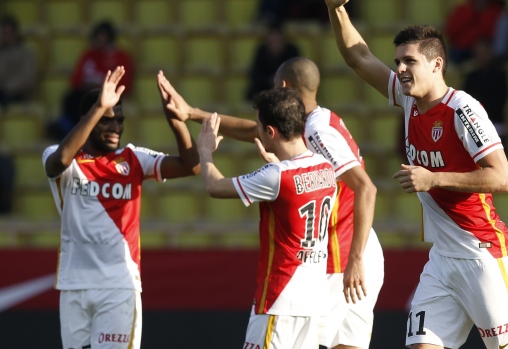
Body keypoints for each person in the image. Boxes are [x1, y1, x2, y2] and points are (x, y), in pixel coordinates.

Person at [325, 1, 508, 348]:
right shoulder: (409, 101)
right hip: (442, 260)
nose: (401, 69)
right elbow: (359, 57)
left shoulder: (462, 109)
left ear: (437, 64)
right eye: (398, 62)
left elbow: (503, 178)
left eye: (410, 61)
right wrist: (335, 9)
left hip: (482, 253)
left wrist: (434, 178)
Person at [158, 56, 384, 349]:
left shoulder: (317, 131)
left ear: (286, 88)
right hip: (333, 254)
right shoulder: (312, 128)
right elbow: (256, 131)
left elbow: (366, 188)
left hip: (343, 254)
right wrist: (192, 113)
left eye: (276, 87)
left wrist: (355, 259)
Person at [42, 66, 200, 349]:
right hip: (73, 284)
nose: (116, 128)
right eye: (108, 120)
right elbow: (59, 161)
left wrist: (176, 121)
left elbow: (192, 166)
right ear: (88, 120)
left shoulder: (134, 159)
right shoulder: (62, 157)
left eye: (120, 121)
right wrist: (99, 106)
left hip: (118, 285)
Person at [182, 88, 337, 349]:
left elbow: (215, 186)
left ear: (271, 132)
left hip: (280, 299)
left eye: (259, 125)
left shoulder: (277, 175)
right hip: (314, 302)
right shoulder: (326, 167)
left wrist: (205, 151)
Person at [47, 21, 134, 140]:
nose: (100, 40)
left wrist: (101, 86)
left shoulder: (121, 57)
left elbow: (125, 84)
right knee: (71, 98)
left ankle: (73, 132)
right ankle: (68, 130)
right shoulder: (89, 54)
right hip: (85, 93)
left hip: (107, 94)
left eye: (103, 37)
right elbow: (75, 80)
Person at [462, 39, 508, 154]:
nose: (480, 57)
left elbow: (501, 101)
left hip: (496, 124)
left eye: (483, 53)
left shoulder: (500, 76)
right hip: (474, 126)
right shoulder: (471, 77)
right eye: (478, 54)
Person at [245, 22, 300, 101]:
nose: (275, 40)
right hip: (265, 89)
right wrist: (271, 80)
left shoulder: (292, 51)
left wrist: (281, 80)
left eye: (277, 37)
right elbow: (255, 74)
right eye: (272, 37)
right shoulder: (262, 51)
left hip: (287, 90)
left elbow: (298, 75)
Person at [443, 0, 504, 65]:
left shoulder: (495, 12)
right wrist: (472, 12)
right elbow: (450, 31)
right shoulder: (463, 10)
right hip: (461, 49)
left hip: (486, 49)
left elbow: (493, 34)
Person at [0, 15, 38, 108]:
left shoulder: (26, 52)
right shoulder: (1, 53)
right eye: (5, 33)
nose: (8, 36)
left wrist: (9, 87)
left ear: (16, 33)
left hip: (19, 95)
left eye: (10, 32)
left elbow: (29, 78)